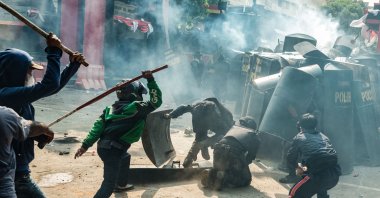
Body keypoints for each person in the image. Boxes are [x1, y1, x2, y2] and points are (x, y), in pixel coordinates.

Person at [0, 33, 85, 198]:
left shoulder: (15, 94)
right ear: (14, 72)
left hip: (18, 172)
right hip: (16, 176)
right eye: (29, 71)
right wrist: (53, 51)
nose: (31, 76)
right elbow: (49, 86)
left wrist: (72, 66)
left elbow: (52, 87)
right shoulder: (6, 95)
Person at [74, 70, 162, 198]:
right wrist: (151, 80)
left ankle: (120, 185)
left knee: (125, 157)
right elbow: (156, 101)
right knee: (108, 185)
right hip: (114, 150)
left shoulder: (109, 109)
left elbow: (96, 129)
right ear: (134, 94)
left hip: (104, 148)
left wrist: (85, 145)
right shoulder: (137, 107)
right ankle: (115, 185)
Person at [279, 113, 341, 198]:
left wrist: (296, 171)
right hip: (334, 176)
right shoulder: (324, 137)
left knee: (293, 194)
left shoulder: (299, 137)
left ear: (299, 125)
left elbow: (290, 158)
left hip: (316, 177)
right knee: (321, 180)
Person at [0, 106, 54, 198]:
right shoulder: (4, 115)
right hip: (15, 178)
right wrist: (45, 129)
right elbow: (28, 127)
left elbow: (26, 128)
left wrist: (41, 132)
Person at [164, 97, 234, 167]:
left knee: (199, 138)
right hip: (210, 114)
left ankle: (189, 159)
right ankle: (204, 144)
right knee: (223, 136)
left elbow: (183, 108)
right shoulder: (229, 117)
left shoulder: (197, 105)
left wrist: (171, 114)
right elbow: (226, 133)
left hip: (198, 114)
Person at [201, 116, 261, 190]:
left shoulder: (233, 128)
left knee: (221, 169)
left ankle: (212, 174)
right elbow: (250, 157)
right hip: (233, 153)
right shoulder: (253, 135)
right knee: (246, 180)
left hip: (218, 150)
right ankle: (222, 178)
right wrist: (241, 168)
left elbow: (221, 138)